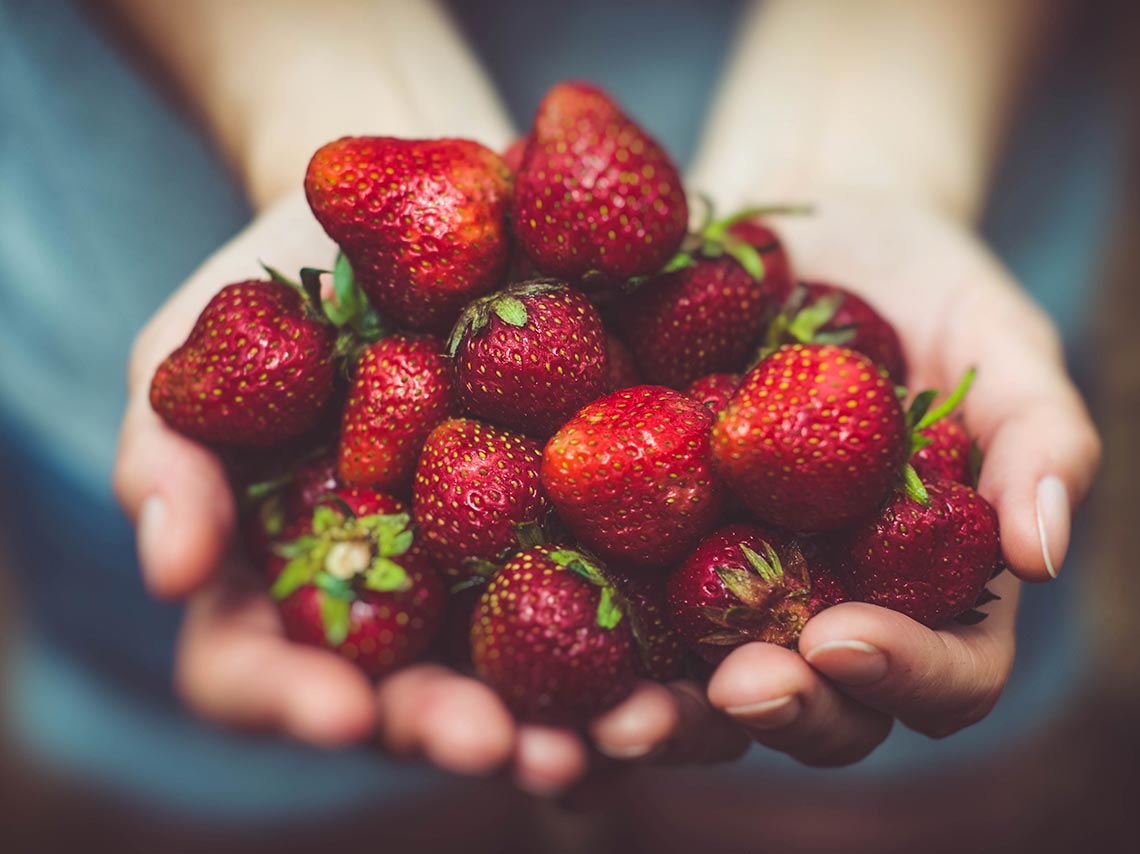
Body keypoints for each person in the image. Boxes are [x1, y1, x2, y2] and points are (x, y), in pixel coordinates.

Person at [3, 0, 1108, 817]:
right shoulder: (539, 394)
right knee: (260, 806)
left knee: (854, 806)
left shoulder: (701, 411)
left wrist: (870, 148)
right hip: (134, 218)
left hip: (956, 115)